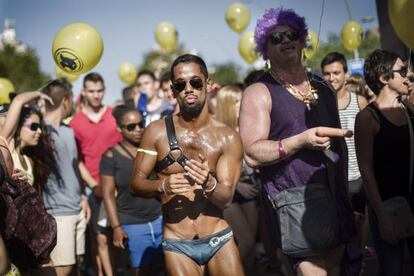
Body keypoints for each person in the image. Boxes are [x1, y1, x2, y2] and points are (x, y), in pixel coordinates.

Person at [239, 8, 356, 275]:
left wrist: (346, 196)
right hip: (295, 202)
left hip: (335, 196)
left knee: (337, 268)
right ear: (264, 50)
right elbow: (252, 154)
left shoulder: (323, 87)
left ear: (302, 39)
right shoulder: (259, 91)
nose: (286, 41)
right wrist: (299, 141)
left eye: (291, 34)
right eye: (276, 38)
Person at [130, 54, 244, 276]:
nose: (188, 89)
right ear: (173, 91)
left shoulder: (227, 137)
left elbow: (226, 198)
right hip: (177, 242)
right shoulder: (155, 131)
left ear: (208, 84)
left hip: (218, 237)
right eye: (180, 84)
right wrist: (162, 186)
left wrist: (209, 183)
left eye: (196, 82)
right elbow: (135, 184)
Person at [355, 49, 414, 275]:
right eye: (401, 71)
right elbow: (366, 170)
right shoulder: (367, 118)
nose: (408, 76)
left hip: (412, 201)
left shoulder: (408, 110)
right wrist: (382, 218)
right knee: (393, 270)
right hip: (388, 209)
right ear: (384, 78)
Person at [69, 72, 122, 276]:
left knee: (117, 235)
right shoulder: (75, 122)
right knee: (100, 237)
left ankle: (116, 270)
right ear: (83, 92)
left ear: (104, 90)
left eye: (99, 91)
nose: (96, 95)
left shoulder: (113, 115)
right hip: (94, 187)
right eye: (91, 91)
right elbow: (78, 160)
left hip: (118, 186)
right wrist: (93, 185)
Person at [101, 105, 163, 275]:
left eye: (141, 124)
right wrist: (116, 227)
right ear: (119, 129)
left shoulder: (153, 148)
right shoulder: (110, 156)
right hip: (132, 222)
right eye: (131, 127)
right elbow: (108, 195)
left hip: (160, 217)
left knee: (164, 268)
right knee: (141, 270)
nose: (138, 129)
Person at [40, 79, 93, 276]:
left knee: (76, 265)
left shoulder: (68, 130)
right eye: (71, 99)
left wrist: (82, 196)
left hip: (77, 206)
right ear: (66, 101)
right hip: (56, 211)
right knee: (62, 268)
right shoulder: (40, 132)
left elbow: (72, 168)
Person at [321, 52, 368, 251]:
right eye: (327, 74)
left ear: (346, 74)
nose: (332, 78)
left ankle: (359, 261)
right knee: (337, 231)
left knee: (358, 224)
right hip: (331, 177)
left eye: (336, 72)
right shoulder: (318, 105)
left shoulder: (360, 102)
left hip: (357, 175)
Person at [215, 84, 260, 275]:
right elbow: (212, 170)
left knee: (251, 248)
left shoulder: (247, 126)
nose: (242, 103)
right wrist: (238, 185)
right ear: (226, 105)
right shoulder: (218, 132)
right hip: (230, 193)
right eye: (236, 101)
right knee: (245, 242)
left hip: (251, 188)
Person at [0, 91, 56, 194]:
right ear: (19, 127)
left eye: (39, 127)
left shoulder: (29, 161)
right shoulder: (7, 147)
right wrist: (39, 93)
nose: (39, 131)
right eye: (34, 126)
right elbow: (18, 101)